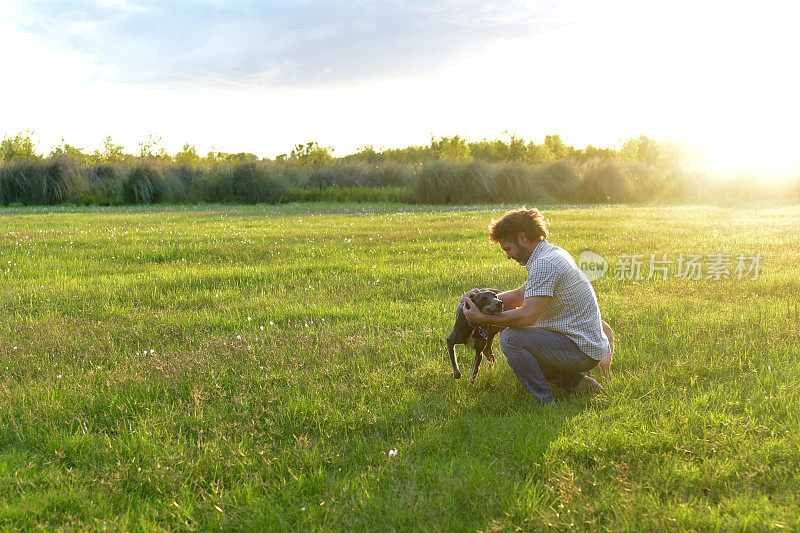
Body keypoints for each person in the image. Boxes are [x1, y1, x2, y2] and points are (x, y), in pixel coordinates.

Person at [462, 207, 611, 404]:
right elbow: (520, 295)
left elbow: (527, 316)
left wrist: (482, 318)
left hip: (580, 351)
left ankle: (545, 401)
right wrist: (479, 299)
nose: (508, 255)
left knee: (511, 338)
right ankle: (578, 384)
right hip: (583, 345)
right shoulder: (551, 254)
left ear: (522, 237)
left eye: (508, 248)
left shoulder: (544, 264)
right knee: (523, 336)